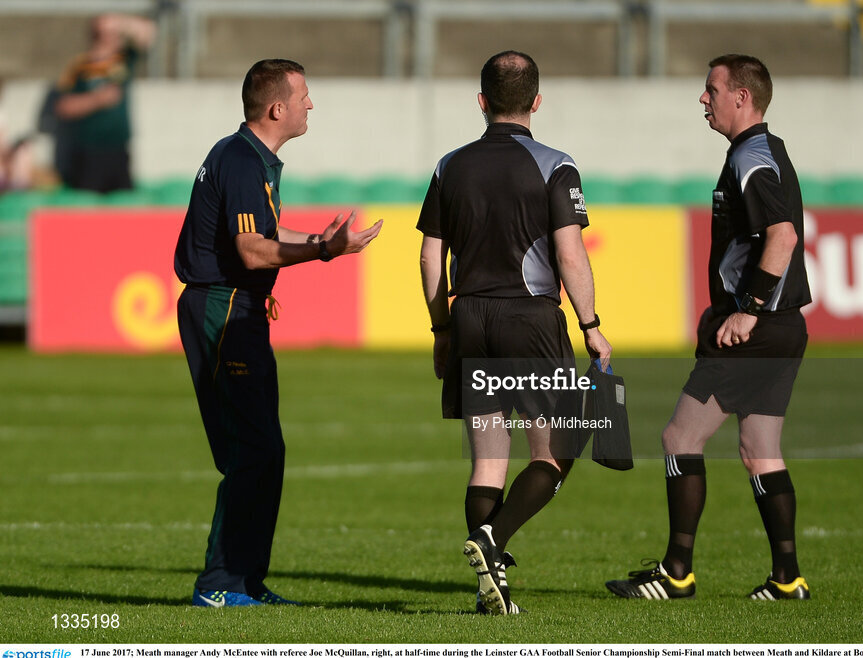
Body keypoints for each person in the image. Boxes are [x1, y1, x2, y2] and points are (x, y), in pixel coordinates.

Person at [174, 59, 383, 608]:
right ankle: (219, 586)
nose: (310, 104)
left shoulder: (250, 157)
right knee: (253, 449)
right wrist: (322, 251)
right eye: (304, 96)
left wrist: (320, 238)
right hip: (223, 308)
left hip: (240, 307)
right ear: (277, 108)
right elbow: (250, 250)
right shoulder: (242, 161)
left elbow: (264, 233)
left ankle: (244, 581)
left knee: (267, 450)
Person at [605, 54, 812, 602]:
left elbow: (783, 236)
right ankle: (787, 580)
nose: (704, 99)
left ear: (741, 97)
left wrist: (747, 308)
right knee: (760, 447)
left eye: (711, 89)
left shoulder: (751, 156)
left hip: (756, 327)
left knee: (680, 437)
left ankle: (676, 572)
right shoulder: (763, 150)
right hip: (784, 327)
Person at [418, 50, 612, 616]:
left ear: (481, 103)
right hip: (530, 319)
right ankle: (492, 540)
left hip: (472, 318)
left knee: (487, 462)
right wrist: (592, 325)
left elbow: (432, 255)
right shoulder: (556, 164)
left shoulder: (449, 165)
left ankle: (491, 586)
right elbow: (570, 254)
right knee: (559, 450)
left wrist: (441, 328)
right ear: (536, 101)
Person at [53, 13, 154, 193]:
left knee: (123, 204)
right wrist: (97, 100)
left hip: (119, 148)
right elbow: (63, 107)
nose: (113, 38)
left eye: (116, 33)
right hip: (89, 150)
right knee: (89, 205)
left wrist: (122, 22)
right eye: (106, 34)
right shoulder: (79, 66)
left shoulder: (123, 59)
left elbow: (148, 33)